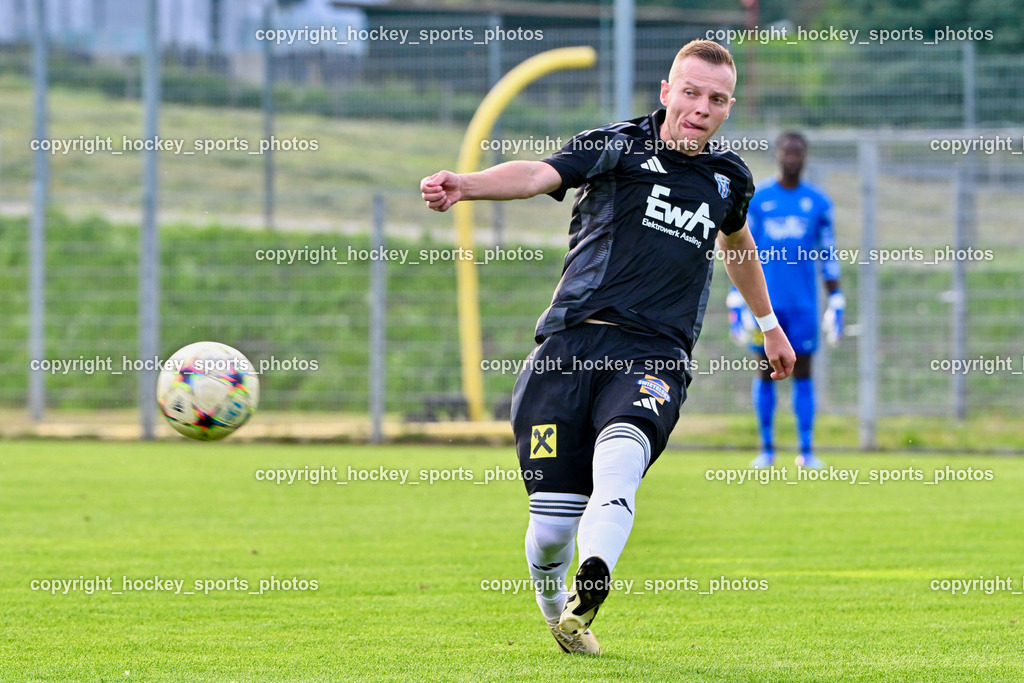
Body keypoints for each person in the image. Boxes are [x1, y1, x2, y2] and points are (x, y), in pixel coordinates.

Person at [421, 39, 795, 656]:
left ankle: (595, 572)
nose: (702, 107)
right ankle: (559, 612)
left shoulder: (730, 178)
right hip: (568, 349)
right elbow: (538, 174)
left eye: (717, 99)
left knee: (623, 450)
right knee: (548, 532)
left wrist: (768, 323)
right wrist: (466, 184)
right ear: (667, 91)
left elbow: (738, 244)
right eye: (692, 92)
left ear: (729, 108)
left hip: (655, 354)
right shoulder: (615, 145)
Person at [727, 132, 844, 470]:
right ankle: (767, 449)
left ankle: (805, 451)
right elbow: (738, 249)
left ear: (805, 157)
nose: (793, 157)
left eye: (799, 152)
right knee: (764, 371)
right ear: (778, 155)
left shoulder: (818, 203)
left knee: (804, 371)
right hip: (766, 306)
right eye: (787, 151)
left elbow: (828, 253)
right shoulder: (759, 199)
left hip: (803, 304)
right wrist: (737, 299)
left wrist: (836, 297)